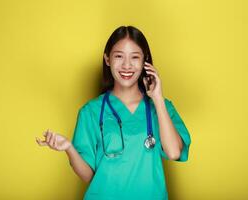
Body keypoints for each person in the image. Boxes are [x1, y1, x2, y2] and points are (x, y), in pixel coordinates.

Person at [36, 25, 191, 200]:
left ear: (145, 61)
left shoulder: (162, 107)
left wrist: (157, 98)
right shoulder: (91, 112)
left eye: (135, 57)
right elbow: (88, 176)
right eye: (118, 56)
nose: (126, 65)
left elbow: (173, 152)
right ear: (107, 59)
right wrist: (69, 148)